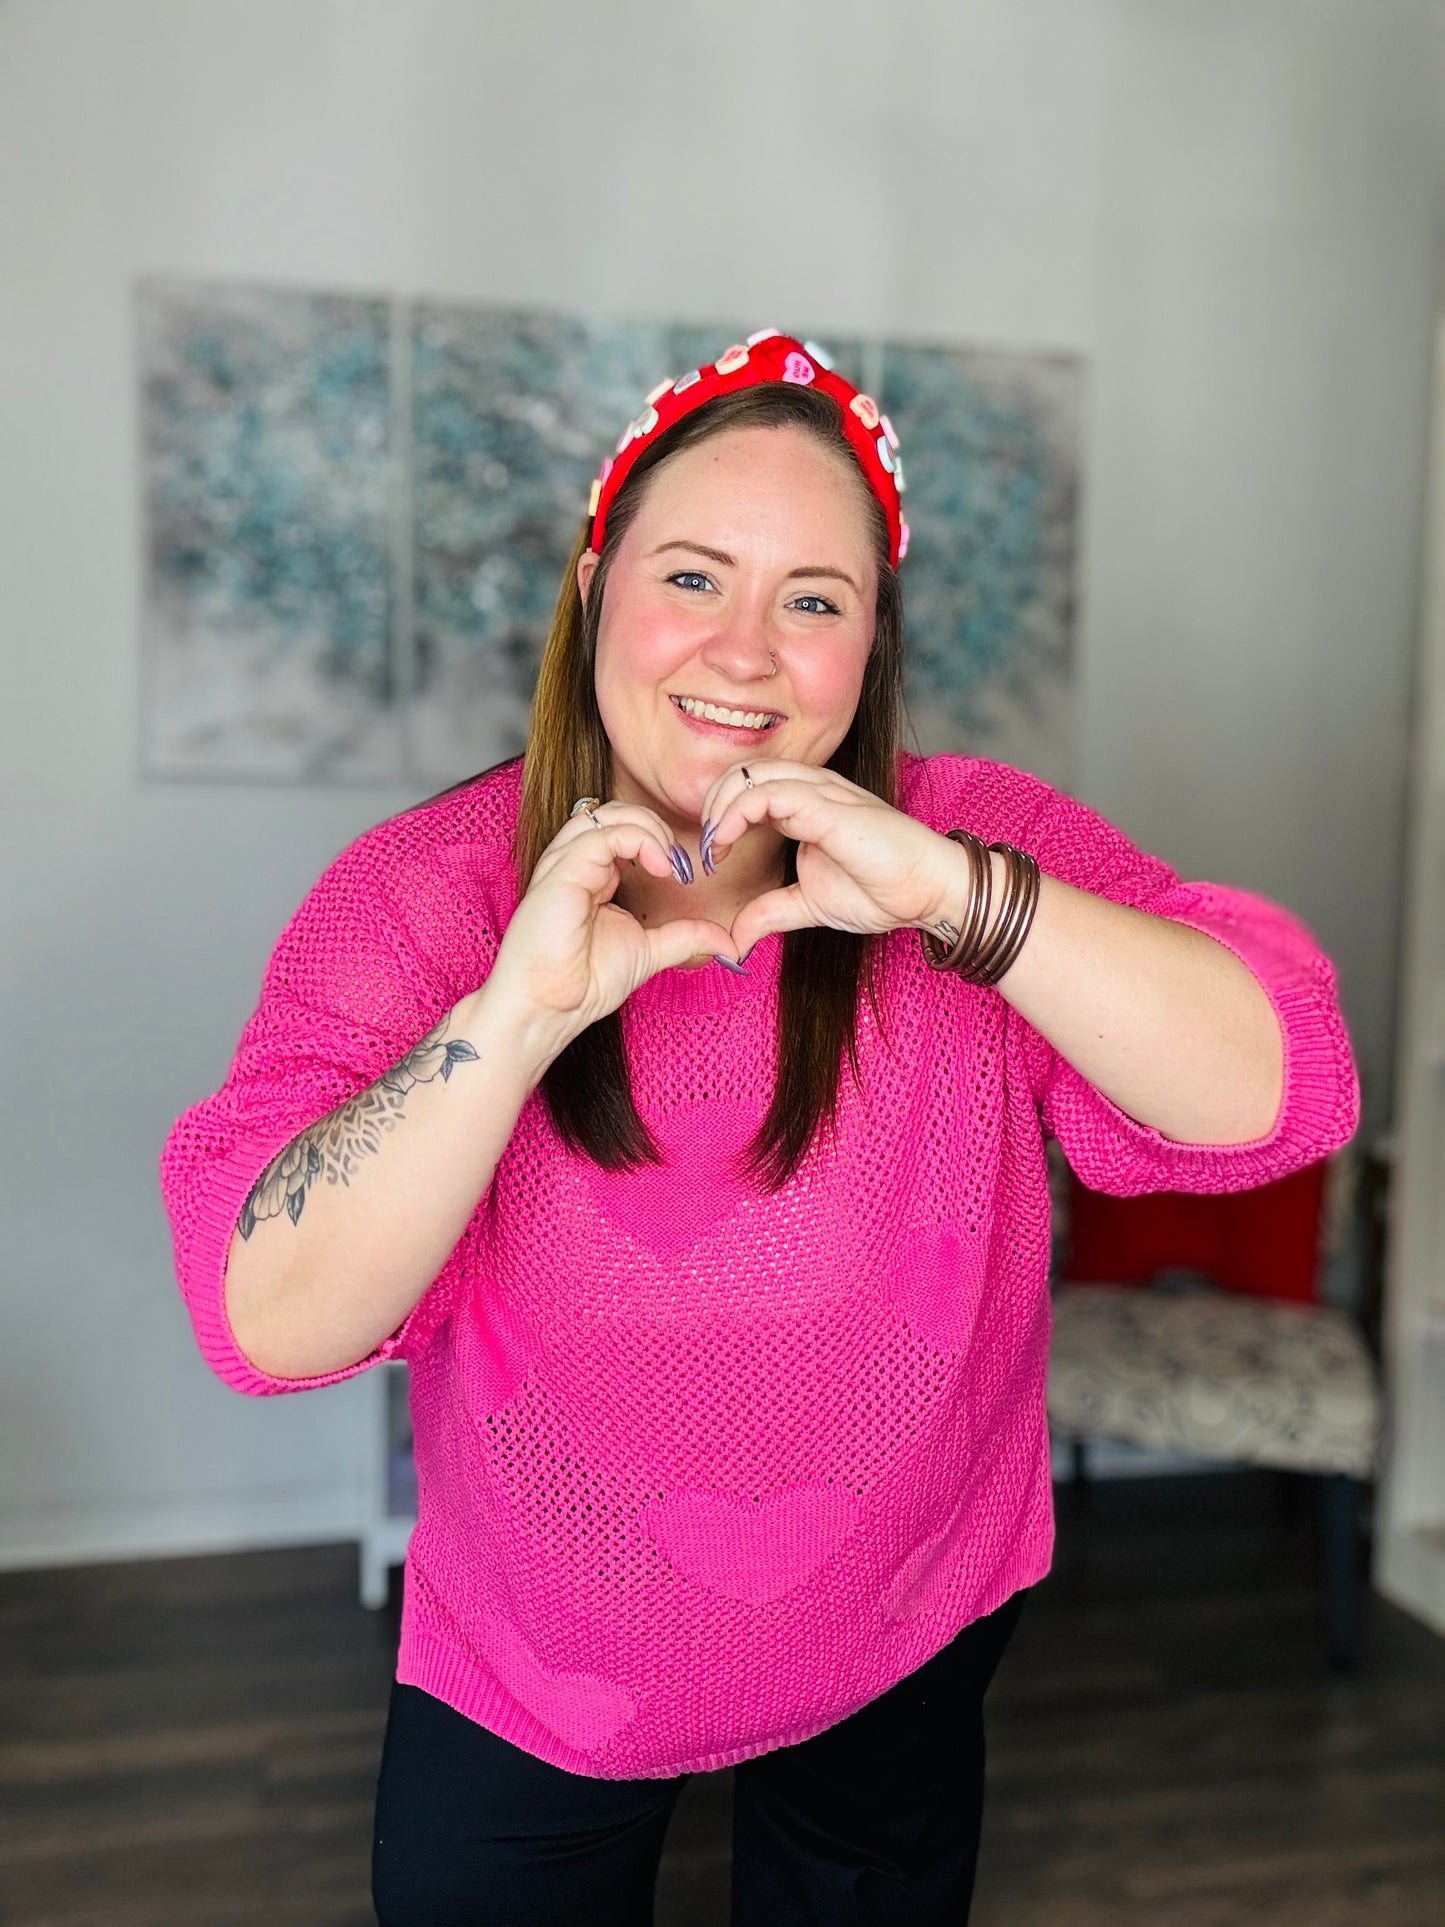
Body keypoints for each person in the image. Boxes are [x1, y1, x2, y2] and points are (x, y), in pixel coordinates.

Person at [159, 330, 1360, 1926]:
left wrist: (950, 894)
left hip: (909, 1615)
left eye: (812, 600)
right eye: (692, 578)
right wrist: (514, 1018)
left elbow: (1282, 1084)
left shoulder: (978, 847)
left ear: (869, 646)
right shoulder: (423, 895)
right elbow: (267, 1312)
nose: (742, 653)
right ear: (594, 589)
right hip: (538, 1662)